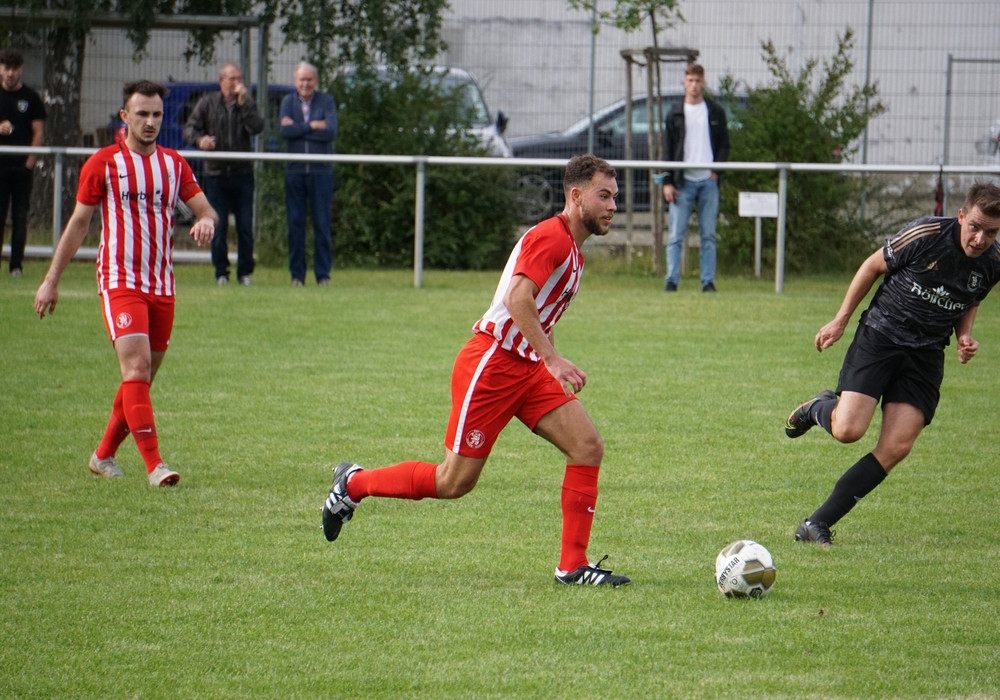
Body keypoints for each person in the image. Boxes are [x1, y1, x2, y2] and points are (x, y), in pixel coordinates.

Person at [321, 154, 630, 587]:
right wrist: (552, 359)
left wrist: (548, 360)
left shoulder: (572, 249)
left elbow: (539, 312)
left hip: (526, 368)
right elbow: (518, 299)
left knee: (587, 446)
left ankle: (572, 566)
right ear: (576, 196)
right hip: (493, 365)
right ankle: (353, 484)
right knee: (453, 481)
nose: (613, 206)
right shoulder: (553, 238)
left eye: (614, 197)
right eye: (604, 196)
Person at [784, 182, 1000, 545]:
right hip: (881, 336)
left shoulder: (994, 262)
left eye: (991, 232)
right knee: (848, 430)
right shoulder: (926, 234)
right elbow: (872, 266)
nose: (980, 239)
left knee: (897, 446)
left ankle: (816, 523)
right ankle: (818, 408)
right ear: (962, 216)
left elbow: (971, 298)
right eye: (975, 227)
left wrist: (965, 335)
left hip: (926, 354)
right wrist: (840, 320)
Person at [33, 80, 218, 487]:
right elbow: (78, 224)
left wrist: (205, 222)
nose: (150, 122)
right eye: (142, 114)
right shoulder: (103, 163)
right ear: (125, 116)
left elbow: (206, 211)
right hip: (120, 279)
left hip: (161, 284)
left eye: (156, 115)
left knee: (141, 379)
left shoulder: (174, 164)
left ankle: (102, 455)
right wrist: (51, 280)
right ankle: (156, 466)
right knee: (136, 367)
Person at [183, 62, 264, 286]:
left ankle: (245, 273)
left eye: (239, 78)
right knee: (217, 225)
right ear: (221, 81)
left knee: (245, 226)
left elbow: (257, 127)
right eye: (232, 79)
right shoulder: (208, 103)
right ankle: (221, 273)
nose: (237, 83)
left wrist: (244, 105)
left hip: (242, 173)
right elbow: (189, 129)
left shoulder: (246, 103)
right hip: (216, 174)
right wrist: (200, 140)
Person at [660, 63, 730, 293]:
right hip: (682, 183)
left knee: (708, 235)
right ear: (684, 82)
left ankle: (707, 282)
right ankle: (672, 280)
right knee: (675, 236)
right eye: (690, 80)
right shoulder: (675, 113)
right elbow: (667, 149)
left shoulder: (715, 111)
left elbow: (724, 145)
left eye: (698, 80)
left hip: (708, 182)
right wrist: (667, 181)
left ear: (704, 82)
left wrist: (716, 171)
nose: (694, 85)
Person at [279, 62, 337, 287]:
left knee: (322, 224)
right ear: (296, 82)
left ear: (316, 81)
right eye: (302, 79)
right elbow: (285, 131)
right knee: (295, 224)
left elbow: (330, 132)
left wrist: (299, 129)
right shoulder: (288, 102)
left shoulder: (327, 101)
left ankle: (323, 275)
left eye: (309, 79)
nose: (305, 83)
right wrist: (312, 125)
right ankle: (297, 276)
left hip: (321, 172)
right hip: (295, 172)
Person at [0, 48, 46, 278]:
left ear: (21, 70)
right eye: (6, 68)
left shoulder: (31, 98)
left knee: (20, 217)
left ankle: (16, 267)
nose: (10, 73)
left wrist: (30, 162)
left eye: (14, 68)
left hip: (21, 170)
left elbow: (38, 131)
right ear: (0, 69)